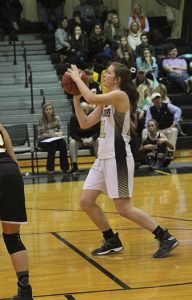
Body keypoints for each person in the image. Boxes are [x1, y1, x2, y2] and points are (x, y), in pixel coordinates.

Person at [67, 62, 179, 258]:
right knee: (86, 201)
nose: (104, 75)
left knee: (124, 208)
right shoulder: (105, 101)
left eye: (108, 73)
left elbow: (91, 97)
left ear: (117, 79)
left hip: (118, 157)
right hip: (103, 158)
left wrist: (77, 78)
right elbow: (84, 123)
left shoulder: (120, 96)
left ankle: (165, 237)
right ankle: (111, 240)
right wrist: (76, 97)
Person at [0, 123, 33, 299]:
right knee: (12, 238)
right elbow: (3, 131)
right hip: (10, 170)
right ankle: (25, 291)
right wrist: (14, 163)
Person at [37, 103, 69, 175]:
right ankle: (50, 169)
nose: (49, 111)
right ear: (44, 111)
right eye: (47, 109)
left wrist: (60, 133)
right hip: (43, 141)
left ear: (53, 110)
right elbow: (41, 135)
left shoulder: (57, 118)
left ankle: (65, 168)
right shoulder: (41, 121)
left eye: (50, 109)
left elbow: (60, 130)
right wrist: (53, 134)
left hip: (55, 139)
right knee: (53, 145)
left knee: (63, 143)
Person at [69, 101, 100, 173]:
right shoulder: (74, 117)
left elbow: (98, 132)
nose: (83, 112)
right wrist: (81, 139)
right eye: (81, 110)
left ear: (88, 110)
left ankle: (99, 164)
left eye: (85, 110)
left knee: (98, 140)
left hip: (91, 139)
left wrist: (92, 138)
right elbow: (72, 134)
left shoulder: (94, 116)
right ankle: (74, 165)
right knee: (72, 142)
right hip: (80, 140)